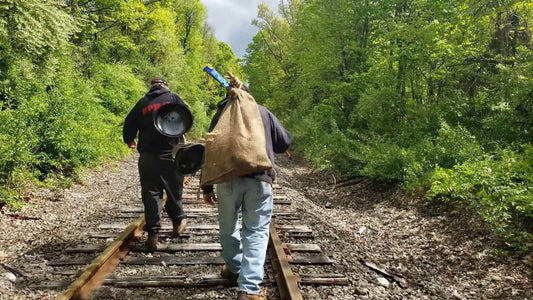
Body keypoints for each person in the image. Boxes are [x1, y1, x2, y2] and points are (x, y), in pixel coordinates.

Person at [202, 74, 291, 300]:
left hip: (227, 179)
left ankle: (234, 269)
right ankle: (249, 289)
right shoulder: (262, 111)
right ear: (248, 94)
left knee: (228, 226)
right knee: (256, 231)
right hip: (259, 179)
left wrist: (207, 187)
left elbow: (210, 149)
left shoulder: (222, 113)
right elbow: (284, 142)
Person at [123, 78, 188, 252]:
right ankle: (177, 223)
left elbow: (129, 122)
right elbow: (187, 118)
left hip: (148, 157)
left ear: (151, 88)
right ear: (165, 86)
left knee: (151, 193)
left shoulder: (143, 102)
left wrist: (129, 140)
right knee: (174, 190)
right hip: (171, 155)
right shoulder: (173, 99)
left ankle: (153, 234)